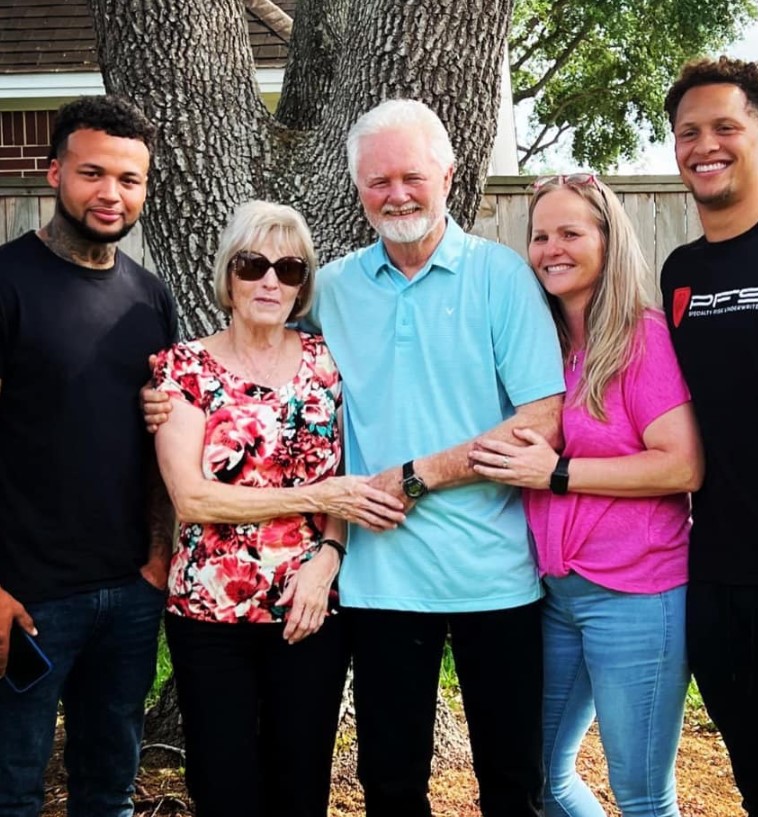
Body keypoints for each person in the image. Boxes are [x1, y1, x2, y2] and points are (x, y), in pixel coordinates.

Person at [143, 98, 566, 817]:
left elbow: (541, 421)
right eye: (378, 181)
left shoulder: (500, 275)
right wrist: (163, 401)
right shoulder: (332, 288)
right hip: (379, 581)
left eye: (411, 176)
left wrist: (417, 475)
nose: (395, 193)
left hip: (493, 575)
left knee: (511, 783)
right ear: (357, 188)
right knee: (391, 787)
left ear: (449, 175)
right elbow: (258, 360)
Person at [151, 200, 405, 817]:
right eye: (253, 264)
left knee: (301, 781)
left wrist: (329, 558)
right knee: (223, 785)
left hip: (310, 607)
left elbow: (347, 469)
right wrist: (314, 498)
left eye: (289, 269)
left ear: (302, 286)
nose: (270, 280)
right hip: (211, 614)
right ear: (227, 277)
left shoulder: (326, 362)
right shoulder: (185, 368)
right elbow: (192, 497)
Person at [470, 174, 704, 816]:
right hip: (553, 595)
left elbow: (682, 466)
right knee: (542, 779)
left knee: (643, 797)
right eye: (540, 235)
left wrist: (558, 473)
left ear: (607, 240)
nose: (551, 248)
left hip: (637, 595)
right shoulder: (538, 345)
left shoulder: (641, 339)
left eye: (571, 232)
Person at [0, 96, 178, 817]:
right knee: (11, 790)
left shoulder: (150, 298)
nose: (111, 193)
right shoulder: (8, 282)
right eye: (93, 173)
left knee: (108, 791)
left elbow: (162, 437)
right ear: (54, 173)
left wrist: (160, 556)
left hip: (130, 595)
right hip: (28, 599)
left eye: (130, 179)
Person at [660, 56, 758, 817]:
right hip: (719, 580)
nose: (704, 145)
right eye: (688, 132)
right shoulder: (679, 271)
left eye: (725, 126)